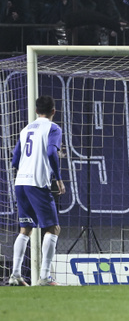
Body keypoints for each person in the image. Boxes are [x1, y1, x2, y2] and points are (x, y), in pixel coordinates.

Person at [8, 96, 65, 286]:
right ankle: (45, 277)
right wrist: (58, 178)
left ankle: (15, 275)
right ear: (53, 111)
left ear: (35, 111)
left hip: (20, 182)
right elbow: (50, 153)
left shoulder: (26, 130)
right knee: (53, 228)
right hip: (37, 183)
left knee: (25, 229)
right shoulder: (53, 128)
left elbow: (15, 159)